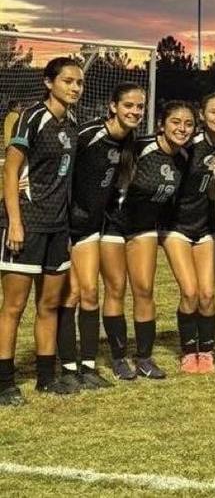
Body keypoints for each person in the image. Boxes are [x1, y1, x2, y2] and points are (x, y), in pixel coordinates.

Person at [0, 58, 83, 406]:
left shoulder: (72, 123)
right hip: (27, 225)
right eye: (68, 81)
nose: (75, 87)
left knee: (49, 304)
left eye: (79, 82)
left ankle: (46, 378)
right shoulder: (31, 118)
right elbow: (10, 171)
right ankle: (4, 382)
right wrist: (15, 222)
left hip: (57, 228)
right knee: (14, 307)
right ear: (49, 83)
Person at [57, 82, 146, 389]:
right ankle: (68, 369)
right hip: (66, 225)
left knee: (90, 293)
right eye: (128, 106)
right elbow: (56, 163)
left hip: (93, 227)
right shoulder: (88, 134)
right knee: (70, 294)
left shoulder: (129, 143)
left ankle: (89, 366)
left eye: (139, 107)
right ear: (113, 106)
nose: (134, 111)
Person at [102, 100, 195, 380]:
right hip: (114, 225)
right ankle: (119, 359)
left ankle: (144, 357)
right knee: (115, 289)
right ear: (162, 124)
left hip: (143, 228)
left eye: (188, 124)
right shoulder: (139, 147)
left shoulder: (184, 158)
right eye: (175, 122)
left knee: (144, 289)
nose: (182, 128)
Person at [161, 92, 215, 375]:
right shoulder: (188, 144)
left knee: (206, 295)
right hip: (177, 227)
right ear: (202, 116)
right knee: (189, 291)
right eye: (214, 112)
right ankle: (188, 351)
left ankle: (206, 352)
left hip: (208, 230)